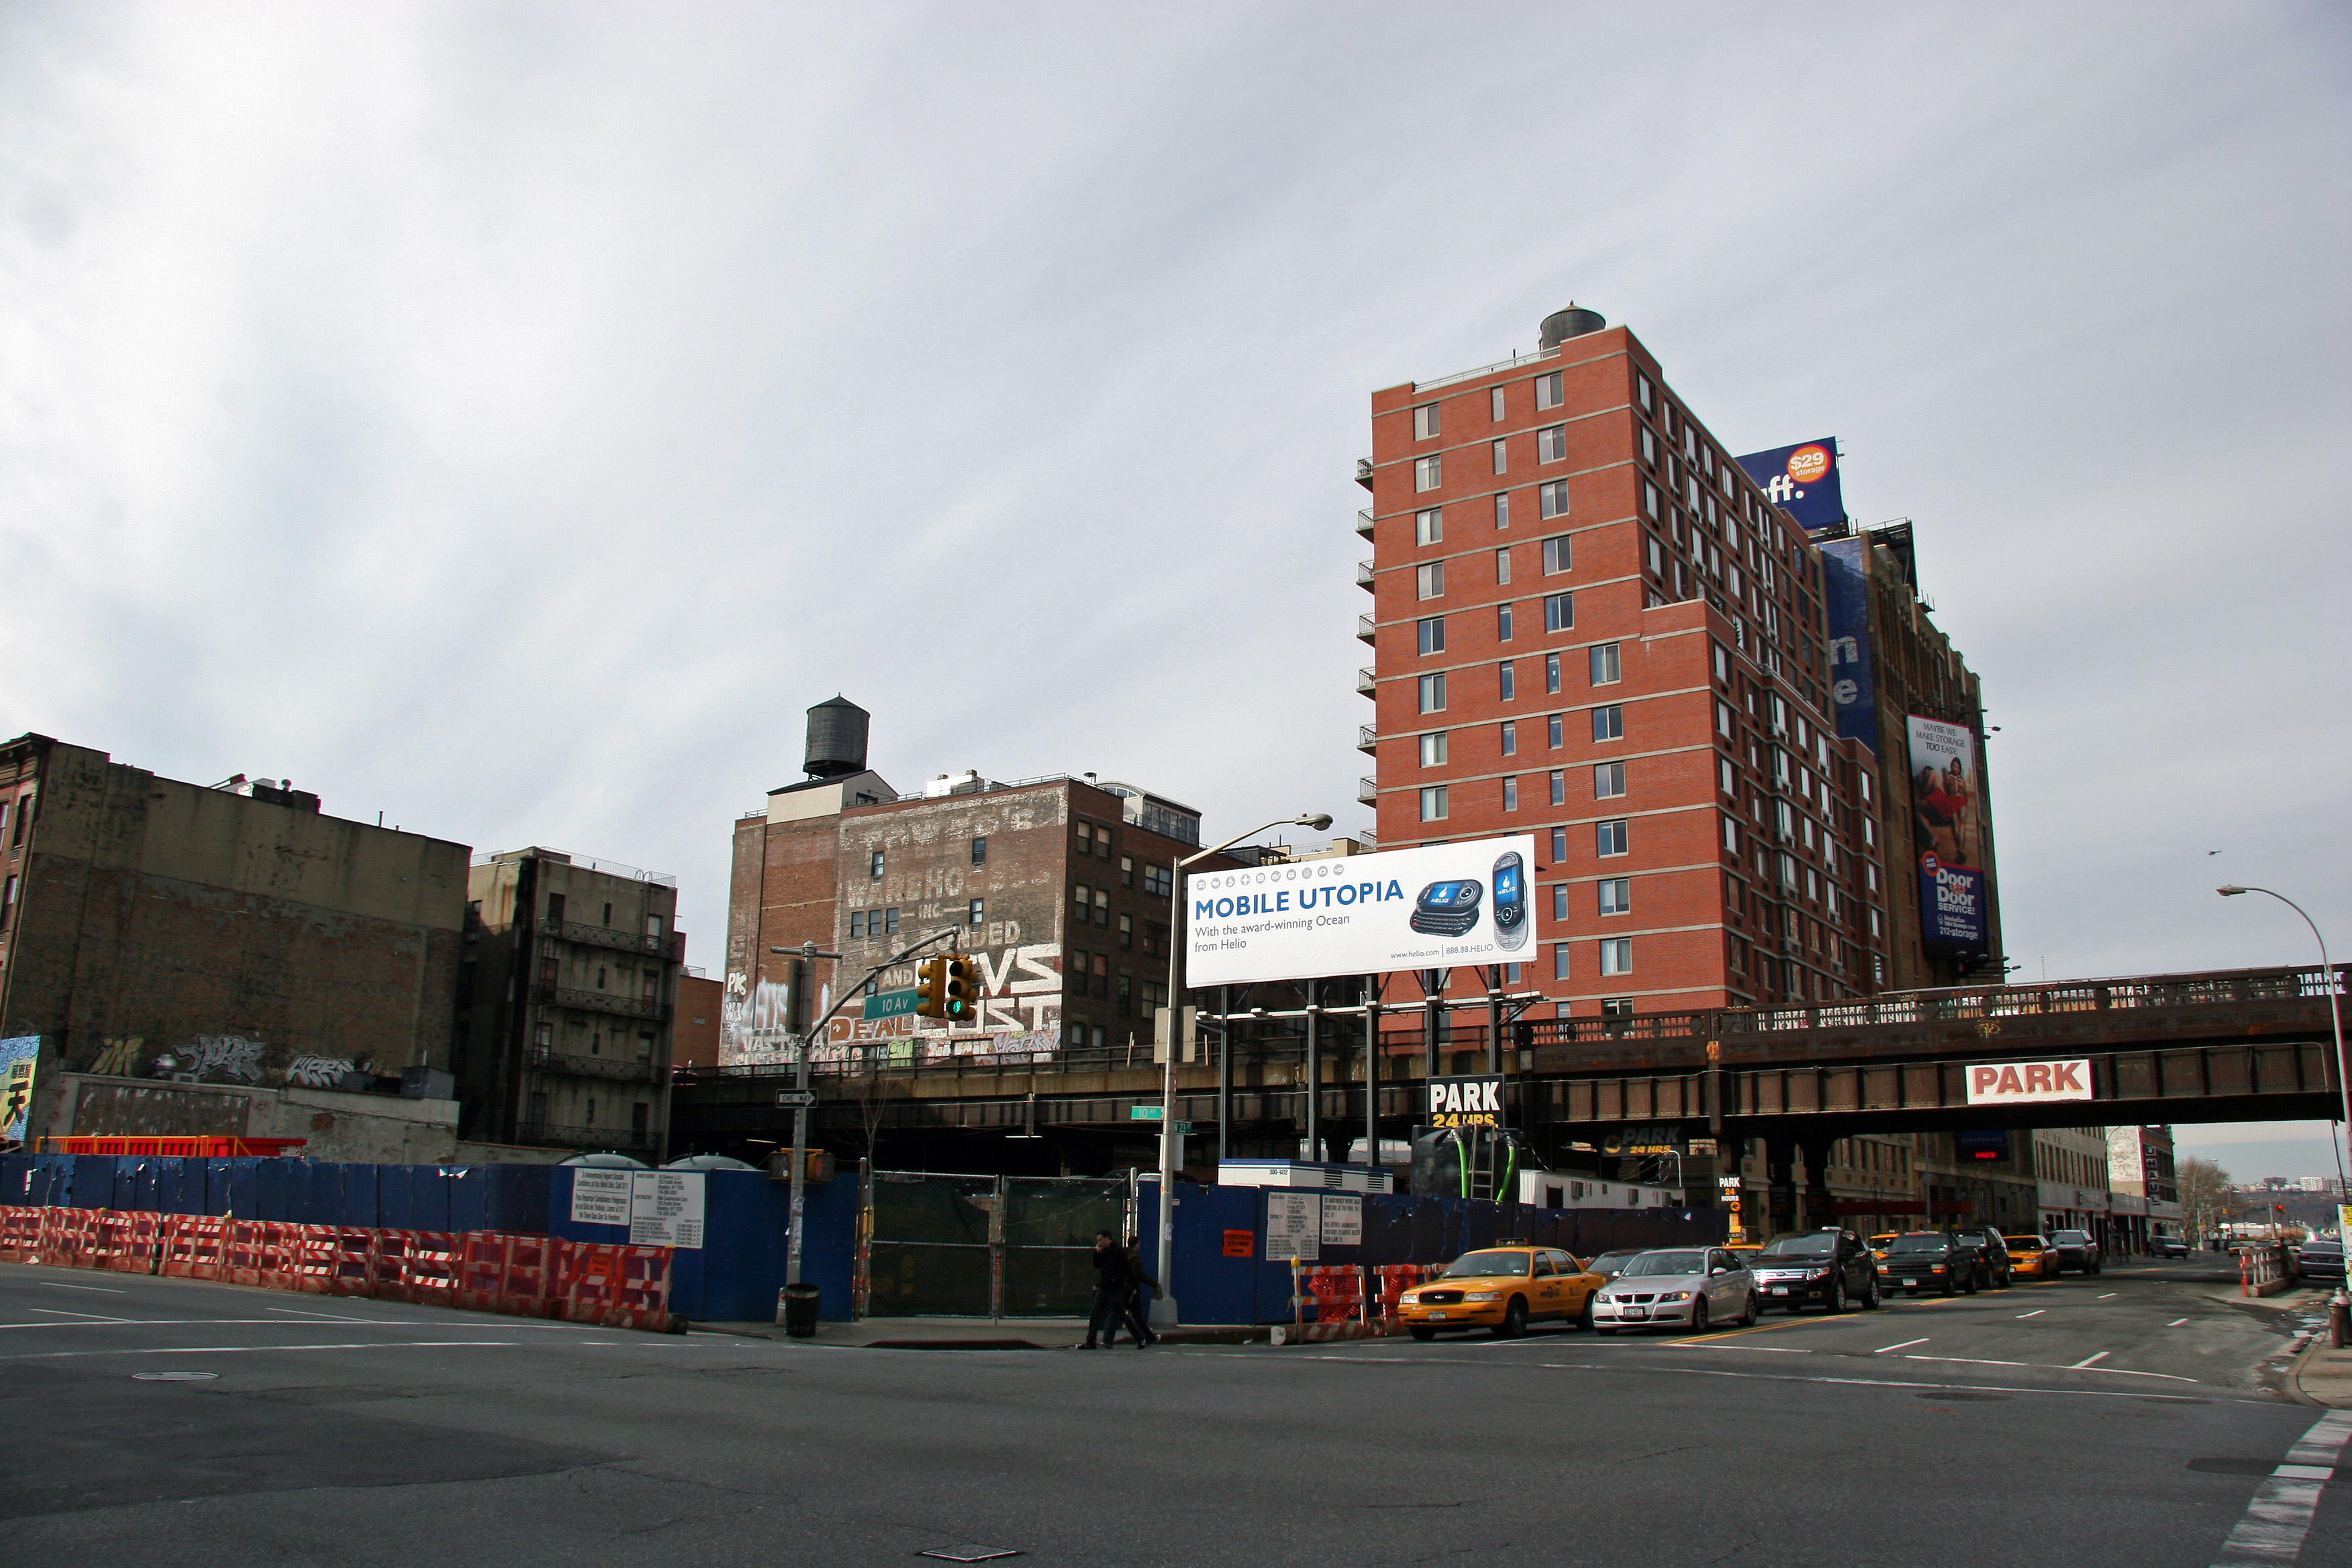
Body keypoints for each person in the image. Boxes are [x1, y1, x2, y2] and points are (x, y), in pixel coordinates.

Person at [1106, 1234, 1159, 1349]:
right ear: (1137, 1245)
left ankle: (1148, 1338)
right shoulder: (1135, 1258)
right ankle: (1146, 1338)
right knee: (1133, 1315)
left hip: (1120, 1288)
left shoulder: (1122, 1255)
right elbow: (1138, 1275)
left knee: (1119, 1313)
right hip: (1131, 1291)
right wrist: (1154, 1283)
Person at [1079, 1230, 1130, 1349]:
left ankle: (1139, 1337)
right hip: (1104, 1288)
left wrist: (1116, 1281)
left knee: (1118, 1313)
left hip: (1114, 1288)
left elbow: (1123, 1269)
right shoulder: (1103, 1252)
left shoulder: (1118, 1251)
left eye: (1101, 1240)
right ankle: (1091, 1341)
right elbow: (1097, 1265)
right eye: (1098, 1241)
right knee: (1095, 1313)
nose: (1099, 1243)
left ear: (1108, 1238)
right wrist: (1097, 1253)